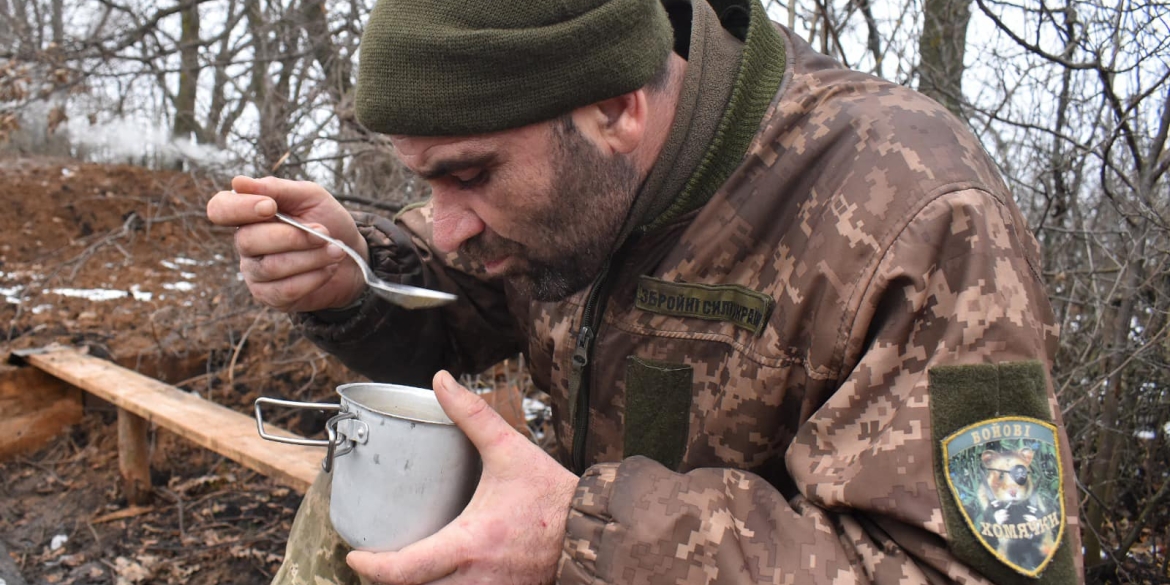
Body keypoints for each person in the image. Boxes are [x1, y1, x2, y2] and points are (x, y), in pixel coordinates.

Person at [206, 0, 1085, 583]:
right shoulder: (577, 164)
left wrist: (584, 537)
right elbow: (467, 299)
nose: (444, 225)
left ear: (618, 111)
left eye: (468, 175)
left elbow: (977, 572)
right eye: (425, 182)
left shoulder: (917, 211)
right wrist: (353, 273)